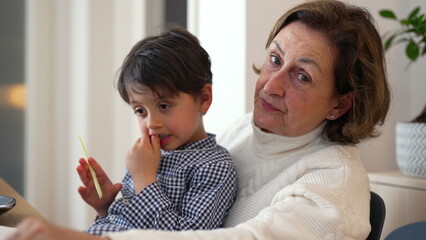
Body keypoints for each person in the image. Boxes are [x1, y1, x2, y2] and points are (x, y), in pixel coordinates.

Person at [6, 0, 391, 239]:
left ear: (339, 105)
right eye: (275, 60)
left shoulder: (333, 188)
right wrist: (110, 208)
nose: (270, 85)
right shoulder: (248, 129)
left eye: (301, 76)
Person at [75, 27, 237, 235]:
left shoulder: (214, 167)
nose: (152, 124)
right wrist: (105, 206)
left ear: (204, 98)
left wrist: (144, 179)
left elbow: (184, 236)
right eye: (140, 111)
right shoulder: (149, 155)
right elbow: (125, 223)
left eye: (164, 106)